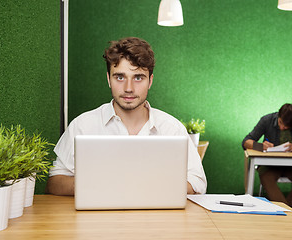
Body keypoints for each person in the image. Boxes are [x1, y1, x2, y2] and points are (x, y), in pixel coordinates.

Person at [46, 37, 207, 195]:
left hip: (157, 220)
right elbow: (54, 181)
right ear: (109, 79)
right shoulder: (82, 126)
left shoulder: (172, 129)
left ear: (150, 81)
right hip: (99, 220)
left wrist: (146, 185)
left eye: (138, 78)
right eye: (120, 77)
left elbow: (197, 182)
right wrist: (96, 184)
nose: (128, 88)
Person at [242, 103, 292, 208]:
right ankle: (288, 216)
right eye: (281, 123)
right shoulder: (267, 120)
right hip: (269, 166)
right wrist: (260, 146)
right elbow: (245, 142)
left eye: (287, 127)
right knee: (267, 179)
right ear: (278, 116)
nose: (283, 127)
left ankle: (283, 215)